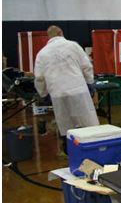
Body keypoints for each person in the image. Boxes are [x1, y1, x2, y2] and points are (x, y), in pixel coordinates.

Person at [34, 25, 99, 154]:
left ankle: (71, 151)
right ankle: (93, 150)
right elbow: (86, 66)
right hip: (78, 90)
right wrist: (90, 82)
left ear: (49, 36)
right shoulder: (73, 46)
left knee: (66, 125)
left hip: (57, 94)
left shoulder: (42, 53)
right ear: (61, 33)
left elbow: (39, 78)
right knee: (88, 123)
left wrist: (43, 93)